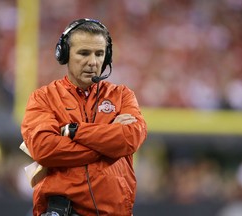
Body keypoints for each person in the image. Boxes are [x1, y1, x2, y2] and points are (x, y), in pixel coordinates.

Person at [21, 18, 147, 216]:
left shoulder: (122, 95)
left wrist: (74, 131)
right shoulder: (43, 97)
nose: (93, 62)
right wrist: (109, 144)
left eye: (99, 54)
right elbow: (43, 148)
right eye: (84, 53)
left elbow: (130, 138)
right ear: (64, 55)